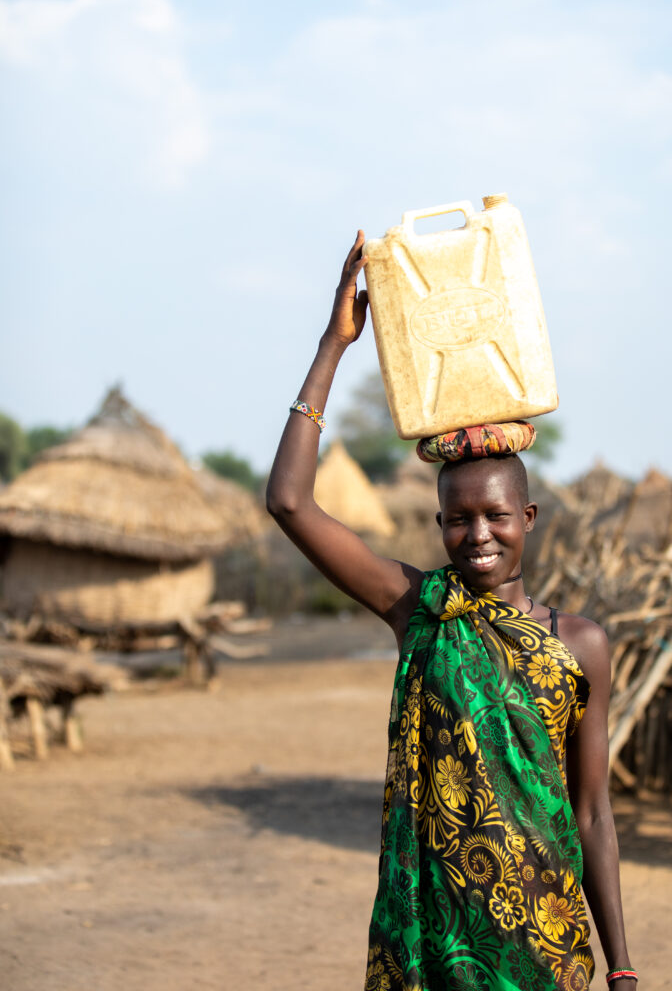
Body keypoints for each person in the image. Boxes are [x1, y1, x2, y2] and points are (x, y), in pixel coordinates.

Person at [267, 232, 637, 991]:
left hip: (546, 944)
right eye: (459, 520)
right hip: (433, 947)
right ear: (438, 528)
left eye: (496, 516)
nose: (478, 535)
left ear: (529, 516)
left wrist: (623, 965)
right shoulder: (419, 610)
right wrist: (334, 346)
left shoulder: (582, 644)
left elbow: (593, 814)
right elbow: (289, 502)